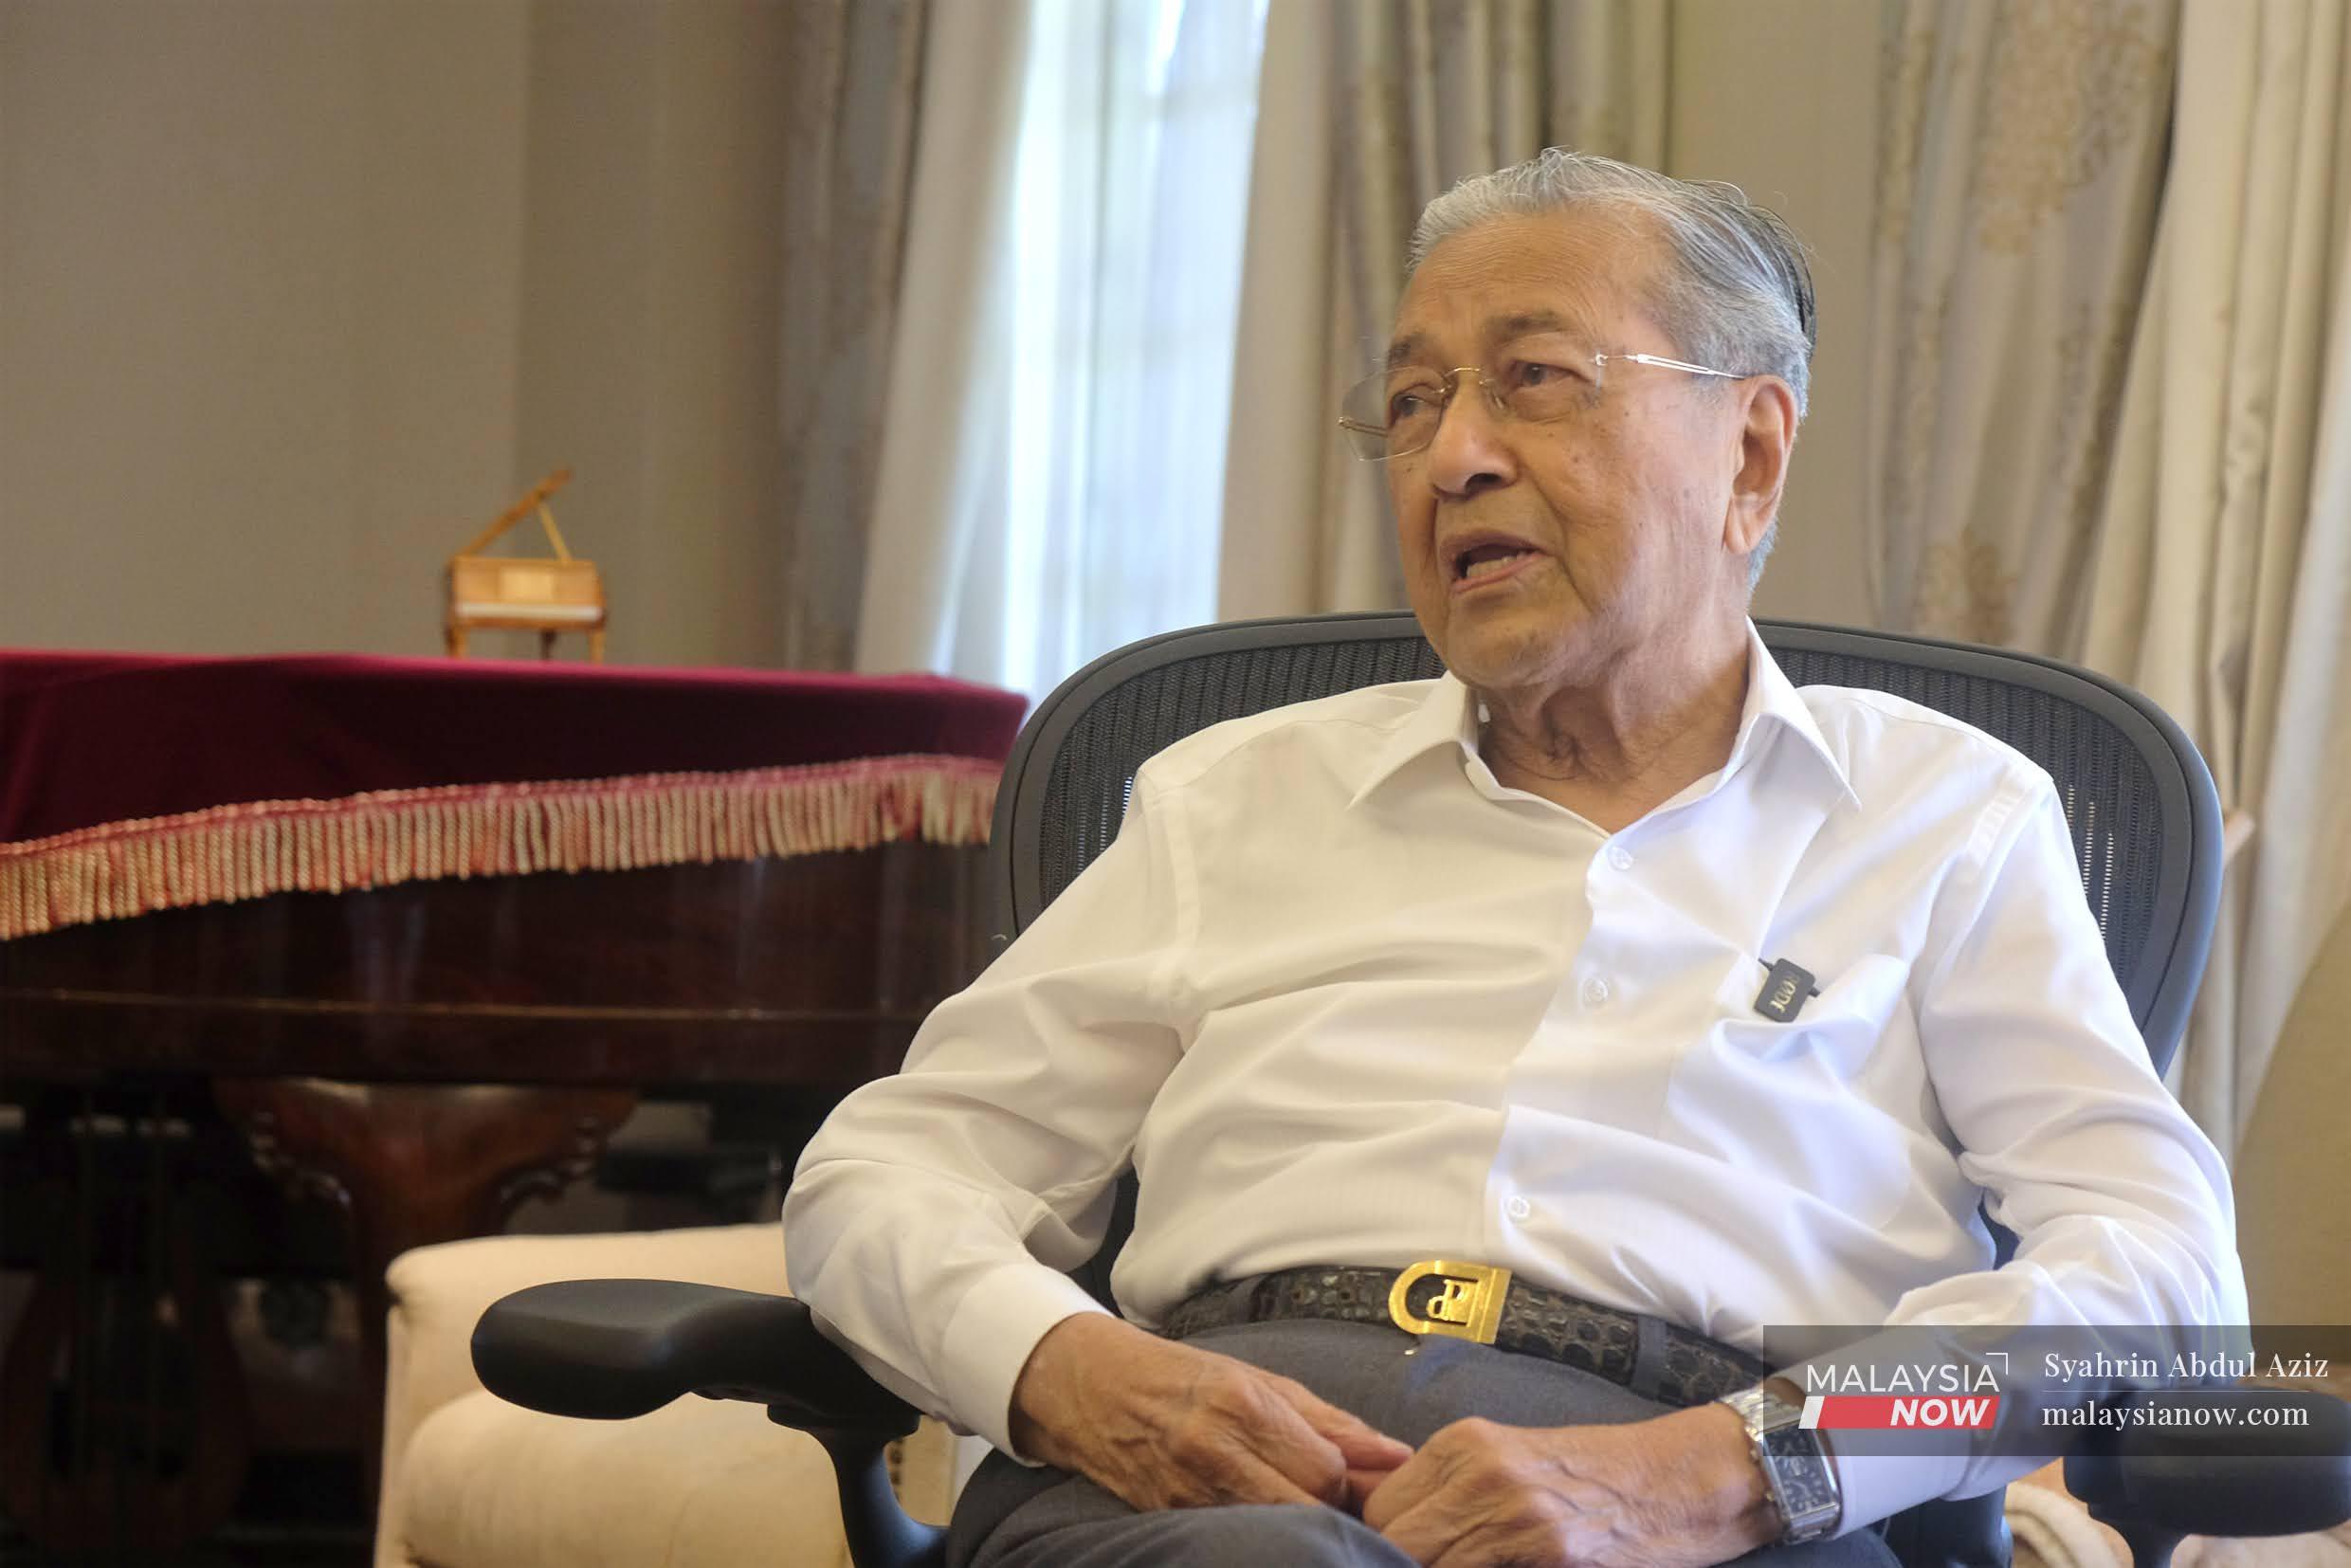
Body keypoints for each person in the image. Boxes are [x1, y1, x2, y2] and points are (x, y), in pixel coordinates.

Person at [784, 150, 2244, 1567]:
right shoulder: (1236, 796)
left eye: (1533, 378)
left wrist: (1744, 1463)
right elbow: (886, 1171)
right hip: (1200, 1487)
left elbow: (2168, 1281)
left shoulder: (1946, 815)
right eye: (1413, 405)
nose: (1453, 457)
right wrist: (1069, 1365)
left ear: (1749, 449)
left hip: (1704, 1508)